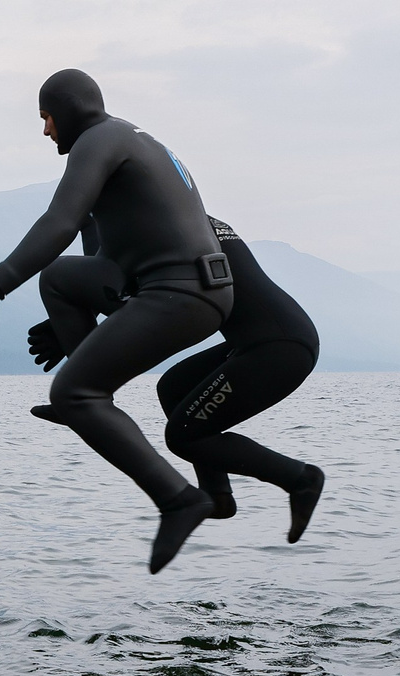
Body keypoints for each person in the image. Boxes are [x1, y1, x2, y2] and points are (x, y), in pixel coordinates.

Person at [0, 68, 236, 573]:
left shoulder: (99, 140)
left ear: (69, 109)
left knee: (73, 393)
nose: (45, 132)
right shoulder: (133, 139)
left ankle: (177, 499)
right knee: (58, 278)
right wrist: (72, 327)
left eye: (46, 118)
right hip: (201, 287)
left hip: (180, 293)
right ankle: (88, 397)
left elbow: (57, 221)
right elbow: (92, 251)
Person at [28, 217, 327, 544]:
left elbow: (128, 294)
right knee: (173, 387)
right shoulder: (185, 219)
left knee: (184, 437)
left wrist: (70, 321)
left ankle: (300, 479)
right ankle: (218, 496)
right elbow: (126, 287)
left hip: (277, 349)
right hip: (271, 339)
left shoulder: (164, 228)